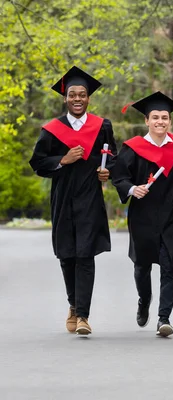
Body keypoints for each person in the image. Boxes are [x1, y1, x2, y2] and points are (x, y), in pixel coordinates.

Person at [29, 66, 116, 335]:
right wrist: (62, 160)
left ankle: (83, 316)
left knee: (85, 253)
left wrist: (107, 170)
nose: (77, 98)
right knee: (67, 254)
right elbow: (38, 162)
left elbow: (112, 155)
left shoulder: (102, 126)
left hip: (90, 196)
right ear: (65, 98)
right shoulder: (52, 130)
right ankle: (73, 305)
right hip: (63, 195)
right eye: (72, 95)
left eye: (82, 94)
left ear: (89, 98)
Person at [112, 91, 173, 337]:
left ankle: (164, 318)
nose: (160, 121)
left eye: (165, 117)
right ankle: (144, 299)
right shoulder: (133, 148)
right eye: (155, 117)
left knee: (170, 266)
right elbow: (119, 176)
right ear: (146, 121)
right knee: (141, 266)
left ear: (170, 121)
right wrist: (132, 188)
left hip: (171, 215)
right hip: (142, 216)